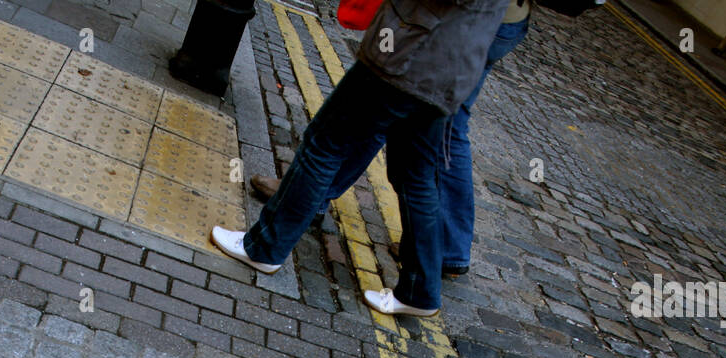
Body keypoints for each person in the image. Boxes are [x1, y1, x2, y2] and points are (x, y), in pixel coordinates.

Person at [210, 0, 513, 317]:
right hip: (454, 65)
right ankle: (419, 292)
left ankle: (264, 247)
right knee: (417, 177)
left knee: (324, 143)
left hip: (412, 51)